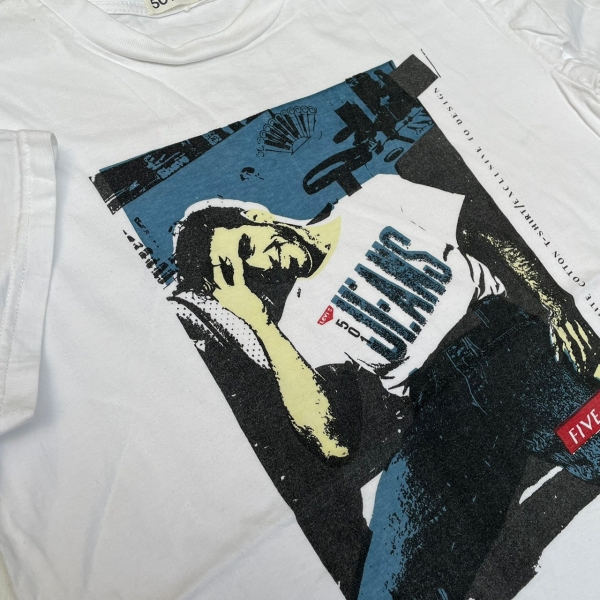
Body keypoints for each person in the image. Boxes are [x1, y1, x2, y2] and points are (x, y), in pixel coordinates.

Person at [170, 173, 600, 599]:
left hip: (506, 345)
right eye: (240, 274)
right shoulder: (293, 323)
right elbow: (333, 442)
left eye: (247, 247)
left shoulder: (375, 197)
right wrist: (260, 323)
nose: (260, 266)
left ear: (256, 215)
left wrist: (555, 303)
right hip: (438, 409)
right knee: (387, 586)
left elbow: (479, 227)